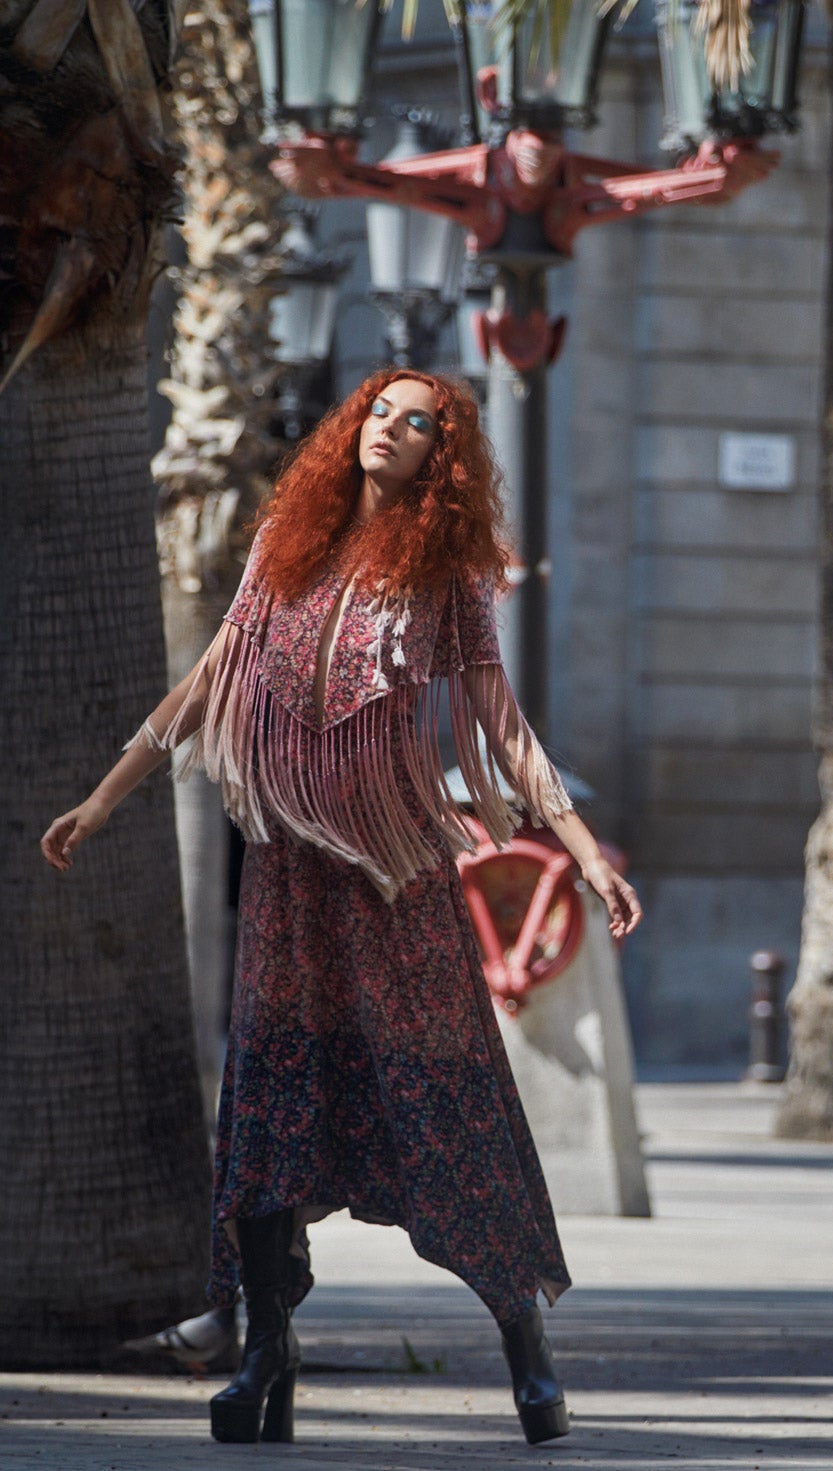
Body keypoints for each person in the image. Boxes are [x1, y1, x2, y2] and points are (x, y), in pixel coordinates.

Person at [41, 369, 642, 1447]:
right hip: (288, 874)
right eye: (382, 412)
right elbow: (210, 678)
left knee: (450, 1099)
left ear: (439, 456)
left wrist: (585, 854)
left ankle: (527, 1351)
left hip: (395, 876)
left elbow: (500, 723)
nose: (393, 432)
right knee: (269, 1105)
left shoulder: (446, 571)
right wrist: (101, 797)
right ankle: (266, 1355)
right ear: (354, 426)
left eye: (421, 424)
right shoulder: (285, 543)